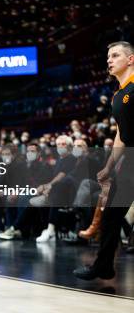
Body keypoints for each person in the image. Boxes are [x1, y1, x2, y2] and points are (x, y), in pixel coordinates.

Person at [74, 41, 134, 280]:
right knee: (111, 214)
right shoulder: (118, 96)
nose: (109, 60)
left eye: (115, 55)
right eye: (108, 56)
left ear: (130, 59)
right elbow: (121, 134)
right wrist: (109, 166)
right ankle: (104, 266)